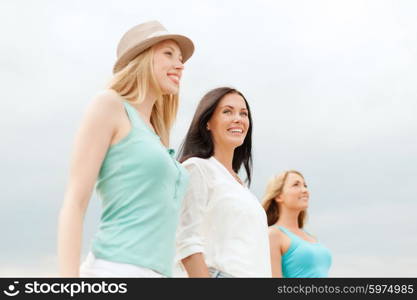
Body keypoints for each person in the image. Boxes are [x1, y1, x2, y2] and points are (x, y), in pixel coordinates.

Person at [57, 20, 194, 277]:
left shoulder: (156, 135)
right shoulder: (109, 105)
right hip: (115, 269)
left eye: (180, 58)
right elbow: (75, 201)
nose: (180, 65)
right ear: (141, 59)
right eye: (168, 54)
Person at [175, 87, 271, 278]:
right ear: (208, 122)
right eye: (227, 111)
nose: (238, 118)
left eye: (244, 113)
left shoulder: (240, 185)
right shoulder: (198, 168)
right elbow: (186, 241)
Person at [262, 170, 332, 278]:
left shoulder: (311, 237)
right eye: (296, 185)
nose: (304, 190)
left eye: (305, 186)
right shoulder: (273, 235)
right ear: (279, 196)